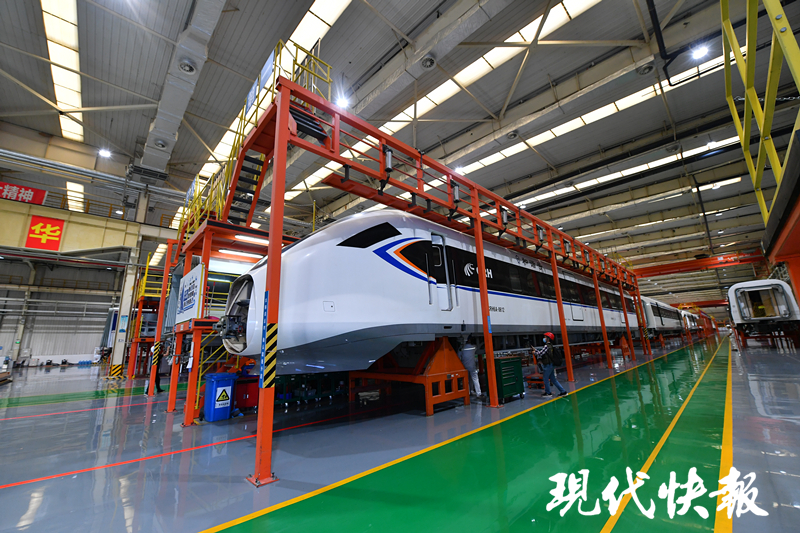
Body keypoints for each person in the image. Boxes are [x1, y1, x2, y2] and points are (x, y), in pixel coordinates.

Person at [533, 332, 567, 398]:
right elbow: (543, 352)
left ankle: (548, 393)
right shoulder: (551, 345)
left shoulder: (546, 346)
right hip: (551, 364)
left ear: (548, 338)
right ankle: (563, 391)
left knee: (545, 379)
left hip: (548, 365)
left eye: (545, 337)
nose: (544, 338)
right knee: (553, 379)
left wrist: (535, 352)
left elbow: (540, 353)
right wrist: (536, 350)